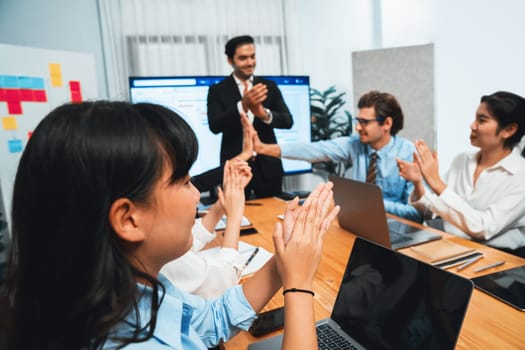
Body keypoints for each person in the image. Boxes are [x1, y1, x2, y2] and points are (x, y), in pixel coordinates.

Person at [6, 101, 339, 350]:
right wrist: (297, 285)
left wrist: (282, 262)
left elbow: (211, 319)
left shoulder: (127, 291)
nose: (197, 194)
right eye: (182, 181)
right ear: (128, 219)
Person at [252, 90, 423, 222]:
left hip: (395, 227)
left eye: (365, 122)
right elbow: (315, 150)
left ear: (387, 123)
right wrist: (263, 148)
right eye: (358, 121)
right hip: (358, 223)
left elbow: (417, 214)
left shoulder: (409, 153)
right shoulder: (354, 144)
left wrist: (372, 204)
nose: (358, 127)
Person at [397, 91, 525, 257]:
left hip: (498, 259)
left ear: (509, 130)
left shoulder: (521, 176)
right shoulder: (462, 160)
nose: (472, 126)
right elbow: (435, 210)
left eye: (482, 120)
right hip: (451, 247)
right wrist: (418, 183)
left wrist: (437, 184)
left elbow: (483, 228)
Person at [207, 35, 293, 198]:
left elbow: (287, 121)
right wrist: (242, 106)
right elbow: (215, 125)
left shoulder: (269, 86)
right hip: (235, 166)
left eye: (252, 57)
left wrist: (262, 113)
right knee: (236, 218)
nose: (250, 62)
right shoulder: (217, 90)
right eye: (243, 58)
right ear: (230, 61)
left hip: (269, 167)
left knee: (271, 216)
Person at [161, 158, 253, 298]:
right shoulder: (164, 259)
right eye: (186, 183)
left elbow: (190, 238)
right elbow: (222, 281)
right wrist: (234, 218)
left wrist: (221, 206)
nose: (197, 195)